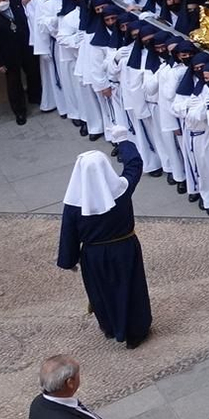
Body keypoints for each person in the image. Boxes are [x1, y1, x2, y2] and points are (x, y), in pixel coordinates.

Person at [59, 138, 152, 348]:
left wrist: (69, 259)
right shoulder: (121, 190)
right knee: (132, 288)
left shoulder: (74, 204)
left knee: (102, 292)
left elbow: (68, 234)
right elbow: (134, 164)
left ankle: (111, 326)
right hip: (125, 249)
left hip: (94, 256)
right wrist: (124, 141)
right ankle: (135, 331)